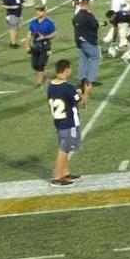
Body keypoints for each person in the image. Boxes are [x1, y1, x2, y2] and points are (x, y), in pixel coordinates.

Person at [46, 59, 85, 187]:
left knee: (65, 148)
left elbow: (65, 98)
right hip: (69, 122)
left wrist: (76, 93)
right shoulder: (68, 87)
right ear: (67, 70)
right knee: (64, 149)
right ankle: (58, 177)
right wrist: (87, 92)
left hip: (59, 122)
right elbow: (81, 104)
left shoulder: (51, 85)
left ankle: (65, 172)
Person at [72, 0, 101, 94]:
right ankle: (90, 80)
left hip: (79, 41)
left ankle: (82, 79)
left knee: (83, 59)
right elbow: (95, 25)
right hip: (88, 40)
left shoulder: (76, 16)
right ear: (88, 4)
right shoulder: (88, 15)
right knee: (95, 57)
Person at [27, 7, 57, 87]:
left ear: (44, 12)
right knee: (34, 65)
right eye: (37, 11)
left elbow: (54, 35)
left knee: (41, 64)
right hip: (35, 46)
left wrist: (44, 37)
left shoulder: (50, 23)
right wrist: (27, 45)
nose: (38, 13)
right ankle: (45, 73)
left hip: (45, 46)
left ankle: (39, 83)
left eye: (40, 11)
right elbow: (29, 34)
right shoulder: (33, 22)